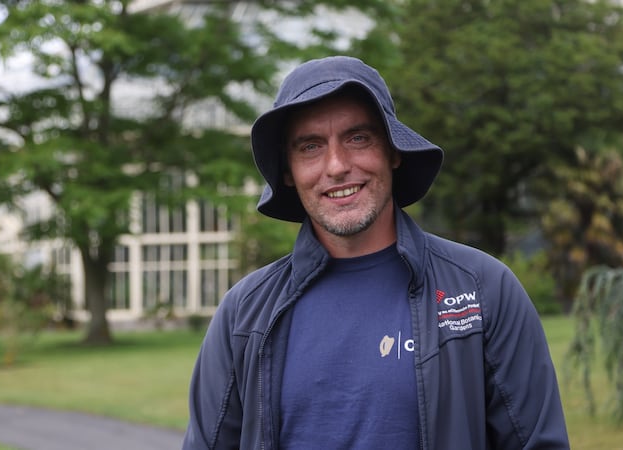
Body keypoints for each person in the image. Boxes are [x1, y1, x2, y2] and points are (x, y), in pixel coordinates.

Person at [182, 56, 569, 450]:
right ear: (288, 172)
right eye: (311, 146)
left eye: (358, 138)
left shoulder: (483, 290)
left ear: (393, 151)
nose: (336, 166)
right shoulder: (244, 314)